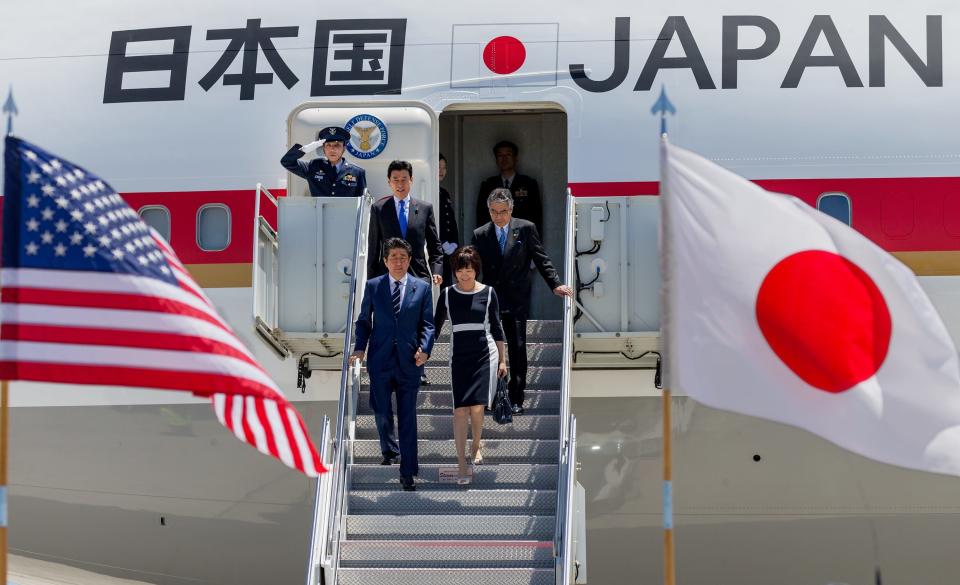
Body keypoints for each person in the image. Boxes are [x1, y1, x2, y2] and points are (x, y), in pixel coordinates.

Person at [472, 188, 572, 414]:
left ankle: (516, 398)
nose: (498, 216)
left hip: (516, 298)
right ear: (488, 210)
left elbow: (541, 258)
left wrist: (555, 284)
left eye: (503, 211)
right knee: (491, 350)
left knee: (517, 348)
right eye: (494, 212)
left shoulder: (525, 229)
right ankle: (492, 396)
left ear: (511, 209)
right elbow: (474, 268)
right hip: (491, 299)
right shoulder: (480, 234)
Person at [350, 238, 435, 491]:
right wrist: (359, 348)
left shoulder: (421, 287)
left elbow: (428, 324)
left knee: (408, 416)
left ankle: (408, 471)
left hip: (409, 361)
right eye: (393, 257)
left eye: (403, 257)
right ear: (385, 261)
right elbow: (364, 320)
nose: (398, 261)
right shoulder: (374, 286)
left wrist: (426, 349)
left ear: (409, 260)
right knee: (381, 409)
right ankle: (389, 448)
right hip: (380, 359)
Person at [434, 246, 506, 484]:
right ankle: (461, 464)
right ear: (454, 272)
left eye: (469, 269)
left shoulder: (489, 292)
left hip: (485, 354)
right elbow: (435, 326)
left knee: (477, 407)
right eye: (460, 270)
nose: (464, 274)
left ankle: (476, 446)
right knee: (460, 410)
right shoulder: (447, 294)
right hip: (459, 356)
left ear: (476, 270)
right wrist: (423, 351)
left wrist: (503, 360)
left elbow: (496, 327)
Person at [367, 160, 443, 285]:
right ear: (389, 182)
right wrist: (371, 281)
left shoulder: (425, 208)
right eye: (395, 180)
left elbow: (434, 245)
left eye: (404, 179)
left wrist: (437, 270)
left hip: (418, 276)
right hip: (387, 277)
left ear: (411, 180)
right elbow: (373, 249)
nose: (400, 184)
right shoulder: (378, 209)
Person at [475, 140, 543, 235]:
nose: (504, 159)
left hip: (522, 240)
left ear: (515, 158)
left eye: (508, 155)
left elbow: (536, 217)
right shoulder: (488, 185)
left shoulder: (529, 184)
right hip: (495, 240)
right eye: (500, 155)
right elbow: (481, 217)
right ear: (496, 159)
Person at [280, 126, 367, 197]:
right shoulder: (313, 166)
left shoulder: (357, 172)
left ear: (343, 149)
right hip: (319, 217)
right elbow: (287, 162)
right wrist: (305, 149)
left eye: (337, 145)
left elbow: (362, 201)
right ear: (324, 149)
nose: (332, 149)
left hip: (347, 217)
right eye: (328, 145)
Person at [438, 153, 460, 288]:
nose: (441, 171)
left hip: (447, 251)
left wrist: (454, 242)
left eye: (444, 167)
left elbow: (450, 221)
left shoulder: (444, 193)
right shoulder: (430, 191)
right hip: (437, 248)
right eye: (438, 167)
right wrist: (442, 242)